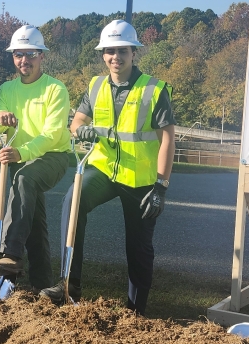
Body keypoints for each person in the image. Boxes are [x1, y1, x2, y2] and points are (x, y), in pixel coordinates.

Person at [41, 19, 177, 316]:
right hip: (102, 170)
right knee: (72, 202)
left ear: (133, 52)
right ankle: (69, 284)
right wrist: (81, 131)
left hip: (140, 178)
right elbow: (76, 122)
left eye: (121, 50)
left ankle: (136, 310)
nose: (115, 57)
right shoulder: (96, 85)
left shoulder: (154, 90)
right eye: (109, 51)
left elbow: (168, 140)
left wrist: (161, 187)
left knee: (139, 246)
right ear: (103, 54)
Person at [0, 25, 72, 289]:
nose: (25, 61)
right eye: (19, 55)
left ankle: (9, 255)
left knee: (24, 179)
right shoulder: (7, 89)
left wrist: (23, 152)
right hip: (19, 157)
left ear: (42, 56)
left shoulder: (55, 89)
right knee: (34, 223)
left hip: (52, 158)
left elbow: (53, 133)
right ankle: (41, 284)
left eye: (31, 54)